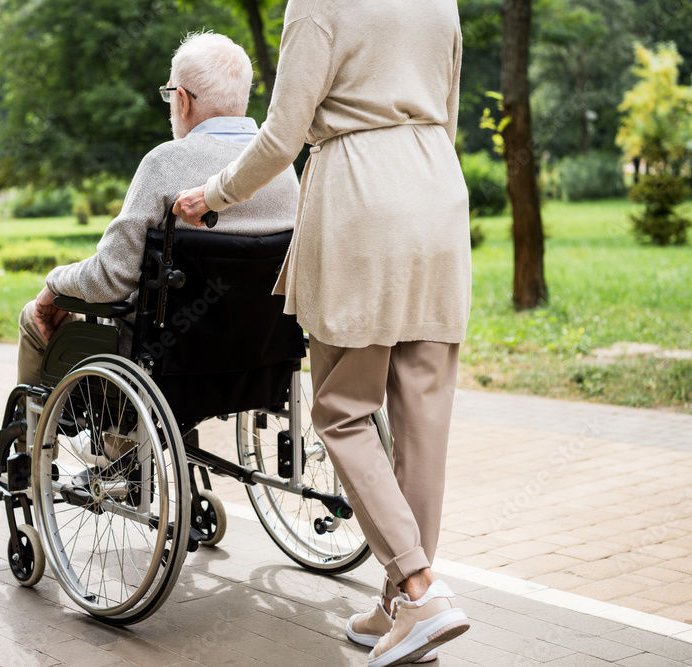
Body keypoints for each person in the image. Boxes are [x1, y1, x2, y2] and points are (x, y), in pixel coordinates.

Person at [173, 2, 471, 665]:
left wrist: (213, 193)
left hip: (364, 199)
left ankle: (421, 589)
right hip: (438, 195)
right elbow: (447, 108)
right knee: (424, 418)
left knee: (342, 408)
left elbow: (283, 135)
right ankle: (400, 604)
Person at [16, 32, 298, 386]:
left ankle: (31, 435)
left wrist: (53, 283)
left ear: (181, 100)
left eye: (169, 95)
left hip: (163, 358)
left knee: (32, 317)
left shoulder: (166, 163)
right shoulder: (281, 169)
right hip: (256, 352)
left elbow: (109, 281)